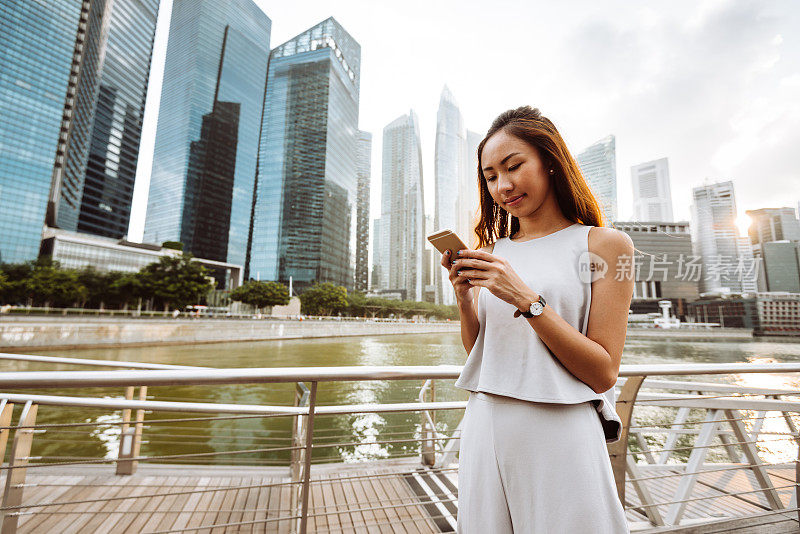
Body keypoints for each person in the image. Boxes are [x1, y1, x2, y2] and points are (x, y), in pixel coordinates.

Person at [441, 106, 634, 533]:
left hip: (559, 428)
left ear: (550, 161)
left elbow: (603, 372)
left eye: (513, 167)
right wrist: (465, 301)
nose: (502, 185)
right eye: (490, 176)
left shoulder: (607, 245)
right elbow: (481, 354)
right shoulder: (491, 252)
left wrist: (527, 299)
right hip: (485, 423)